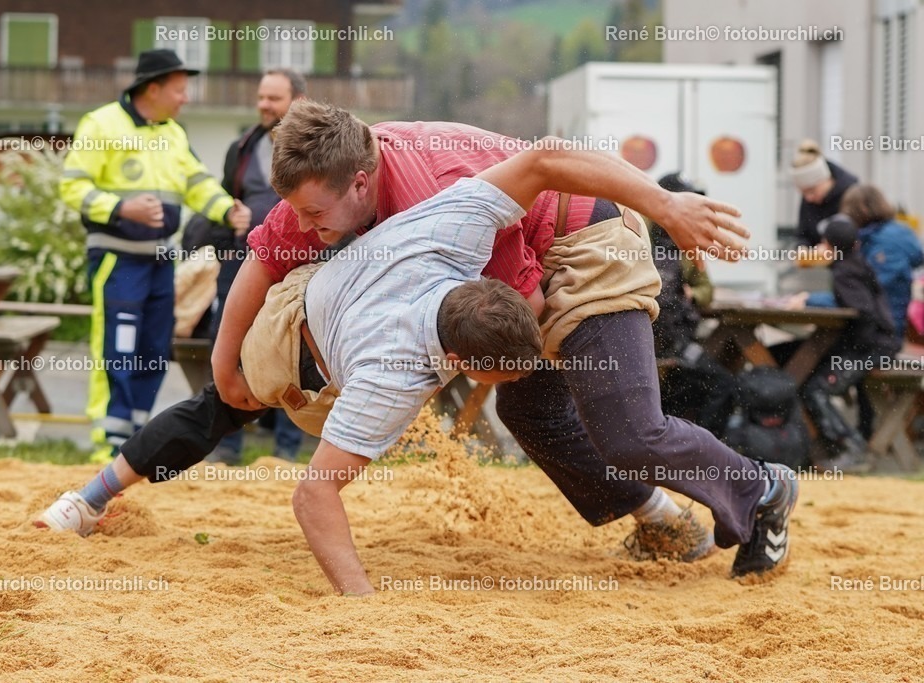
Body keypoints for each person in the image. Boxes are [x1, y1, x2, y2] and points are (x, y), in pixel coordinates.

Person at [39, 140, 799, 594]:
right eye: (303, 214)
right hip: (438, 298)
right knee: (527, 407)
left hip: (582, 241)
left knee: (625, 426)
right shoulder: (398, 235)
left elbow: (545, 172)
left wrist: (663, 203)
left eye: (317, 216)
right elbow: (266, 256)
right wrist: (226, 361)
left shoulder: (444, 232)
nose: (307, 226)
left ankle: (761, 487)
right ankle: (659, 517)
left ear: (360, 182)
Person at [59, 49, 250, 463]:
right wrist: (120, 208)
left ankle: (134, 444)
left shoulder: (174, 134)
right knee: (117, 347)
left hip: (162, 262)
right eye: (179, 90)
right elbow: (72, 187)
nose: (186, 98)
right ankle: (107, 442)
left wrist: (226, 210)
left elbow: (198, 184)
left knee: (154, 350)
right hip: (117, 260)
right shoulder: (101, 124)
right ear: (153, 89)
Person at [205, 69, 308, 465]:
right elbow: (224, 199)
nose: (264, 105)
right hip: (242, 263)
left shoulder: (315, 147)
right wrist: (228, 218)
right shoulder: (242, 148)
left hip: (296, 268)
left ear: (298, 102)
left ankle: (286, 449)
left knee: (293, 348)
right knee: (230, 345)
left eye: (274, 99)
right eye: (261, 97)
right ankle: (228, 446)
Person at [784, 215, 902, 472]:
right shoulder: (853, 265)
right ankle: (835, 448)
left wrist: (851, 351)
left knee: (816, 389)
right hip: (877, 345)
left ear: (831, 247)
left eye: (823, 243)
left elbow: (863, 311)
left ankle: (854, 450)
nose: (818, 248)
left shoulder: (845, 272)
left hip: (873, 349)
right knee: (811, 378)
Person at [650, 173, 735, 438]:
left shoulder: (687, 243)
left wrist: (691, 294)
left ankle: (693, 446)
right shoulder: (638, 236)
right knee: (720, 384)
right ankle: (706, 449)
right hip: (656, 343)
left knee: (688, 387)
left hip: (672, 342)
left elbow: (705, 290)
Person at [840, 184, 923, 340]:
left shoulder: (885, 242)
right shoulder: (877, 236)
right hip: (885, 322)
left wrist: (813, 300)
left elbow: (867, 289)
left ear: (862, 209)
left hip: (883, 328)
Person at [790, 139, 858, 248]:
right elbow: (803, 234)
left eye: (812, 190)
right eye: (803, 192)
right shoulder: (810, 199)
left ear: (826, 179)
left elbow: (856, 238)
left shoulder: (852, 194)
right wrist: (802, 247)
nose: (808, 198)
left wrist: (830, 249)